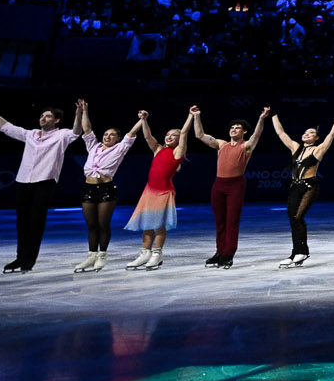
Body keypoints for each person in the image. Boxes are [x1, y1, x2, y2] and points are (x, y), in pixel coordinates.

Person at [0, 94, 81, 274]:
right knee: (22, 221)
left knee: (36, 221)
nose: (43, 118)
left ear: (56, 120)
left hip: (45, 181)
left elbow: (77, 132)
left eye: (48, 116)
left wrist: (79, 114)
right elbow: (6, 127)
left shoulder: (61, 135)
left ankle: (29, 259)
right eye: (42, 115)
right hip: (24, 180)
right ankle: (20, 257)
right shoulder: (31, 134)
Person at [186, 105, 271, 268]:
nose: (233, 129)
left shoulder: (246, 146)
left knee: (232, 221)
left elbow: (257, 134)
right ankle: (219, 252)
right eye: (232, 127)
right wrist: (196, 116)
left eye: (237, 128)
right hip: (218, 184)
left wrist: (261, 119)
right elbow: (199, 135)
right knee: (220, 221)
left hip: (235, 185)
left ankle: (228, 253)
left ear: (244, 131)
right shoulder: (221, 144)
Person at [68, 106, 150, 273]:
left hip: (106, 189)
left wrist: (142, 119)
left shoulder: (120, 148)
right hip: (88, 188)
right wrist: (84, 111)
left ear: (118, 138)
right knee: (92, 225)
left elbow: (131, 133)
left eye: (112, 135)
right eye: (106, 134)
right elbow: (87, 129)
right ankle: (91, 255)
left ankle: (102, 255)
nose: (107, 136)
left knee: (103, 224)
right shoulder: (93, 146)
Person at [267, 111, 334, 267]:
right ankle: (295, 253)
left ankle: (302, 251)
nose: (307, 134)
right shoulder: (296, 147)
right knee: (292, 218)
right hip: (295, 187)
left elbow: (331, 134)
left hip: (309, 187)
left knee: (298, 217)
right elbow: (281, 132)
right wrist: (274, 115)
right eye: (305, 132)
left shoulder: (318, 150)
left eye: (311, 133)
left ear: (317, 138)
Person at [124, 116, 186, 269]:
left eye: (174, 135)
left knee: (158, 225)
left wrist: (191, 116)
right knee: (147, 222)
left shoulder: (178, 152)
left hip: (163, 192)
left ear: (179, 140)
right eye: (168, 134)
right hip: (149, 191)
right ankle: (145, 253)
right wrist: (144, 120)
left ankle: (157, 254)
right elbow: (147, 136)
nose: (169, 137)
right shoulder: (159, 149)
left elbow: (184, 133)